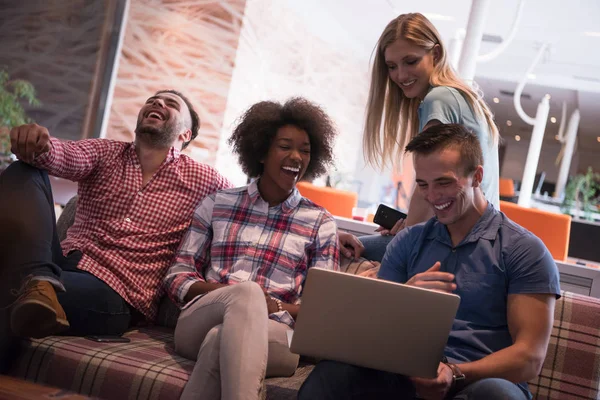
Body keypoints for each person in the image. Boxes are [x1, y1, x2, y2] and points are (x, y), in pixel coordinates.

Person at [299, 124, 560, 400]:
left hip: (478, 380)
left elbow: (531, 357)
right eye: (423, 184)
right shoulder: (408, 241)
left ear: (476, 176)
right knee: (333, 374)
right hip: (404, 375)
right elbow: (375, 336)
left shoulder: (524, 250)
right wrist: (405, 299)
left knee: (497, 395)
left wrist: (454, 371)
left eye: (444, 182)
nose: (432, 197)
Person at [0, 90, 231, 371]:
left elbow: (243, 210)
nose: (157, 103)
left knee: (7, 286)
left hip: (115, 293)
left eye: (170, 104)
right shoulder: (105, 152)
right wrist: (38, 144)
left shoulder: (206, 180)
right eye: (153, 100)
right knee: (24, 169)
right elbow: (62, 154)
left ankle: (35, 286)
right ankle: (38, 281)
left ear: (185, 134)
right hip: (59, 264)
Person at [163, 98, 340, 400]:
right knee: (246, 293)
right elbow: (177, 277)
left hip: (278, 335)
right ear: (260, 150)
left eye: (305, 150)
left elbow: (323, 310)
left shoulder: (320, 223)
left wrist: (277, 307)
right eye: (285, 146)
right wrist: (231, 296)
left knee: (221, 341)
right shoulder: (218, 204)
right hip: (200, 322)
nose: (296, 156)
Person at [351, 12, 501, 262]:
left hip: (457, 244)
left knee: (345, 249)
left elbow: (427, 186)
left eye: (410, 61)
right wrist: (410, 224)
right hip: (475, 239)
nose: (400, 75)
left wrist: (408, 233)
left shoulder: (438, 99)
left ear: (437, 55)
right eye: (392, 66)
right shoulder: (460, 96)